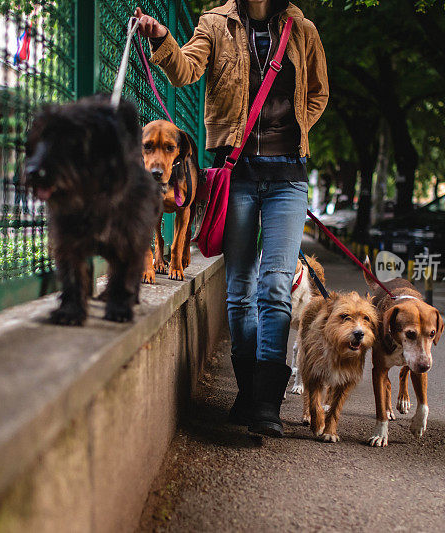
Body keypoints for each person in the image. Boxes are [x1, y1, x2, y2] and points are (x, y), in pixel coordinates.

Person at [136, 0, 329, 437]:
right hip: (236, 174)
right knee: (240, 288)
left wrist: (295, 130)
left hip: (288, 178)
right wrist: (163, 38)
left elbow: (318, 93)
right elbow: (185, 70)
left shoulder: (303, 30)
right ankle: (247, 393)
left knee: (277, 284)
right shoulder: (213, 23)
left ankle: (265, 404)